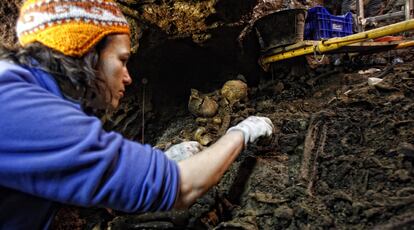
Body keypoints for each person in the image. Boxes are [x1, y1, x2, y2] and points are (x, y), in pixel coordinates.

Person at [0, 0, 274, 229]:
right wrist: (241, 132)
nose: (129, 77)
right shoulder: (21, 109)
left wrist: (148, 166)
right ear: (86, 52)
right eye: (121, 60)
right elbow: (184, 187)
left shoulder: (20, 94)